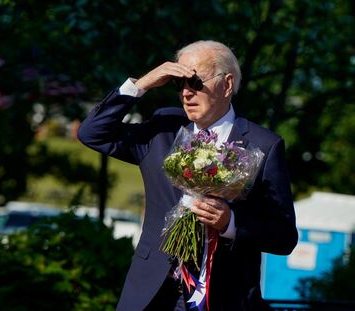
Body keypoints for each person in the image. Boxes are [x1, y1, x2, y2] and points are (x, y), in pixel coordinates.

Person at [78, 40, 298, 311]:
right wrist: (142, 84)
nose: (186, 93)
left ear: (227, 85)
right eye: (178, 84)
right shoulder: (163, 129)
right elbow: (92, 133)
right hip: (151, 293)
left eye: (194, 82)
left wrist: (230, 223)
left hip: (223, 297)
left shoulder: (263, 145)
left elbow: (284, 236)